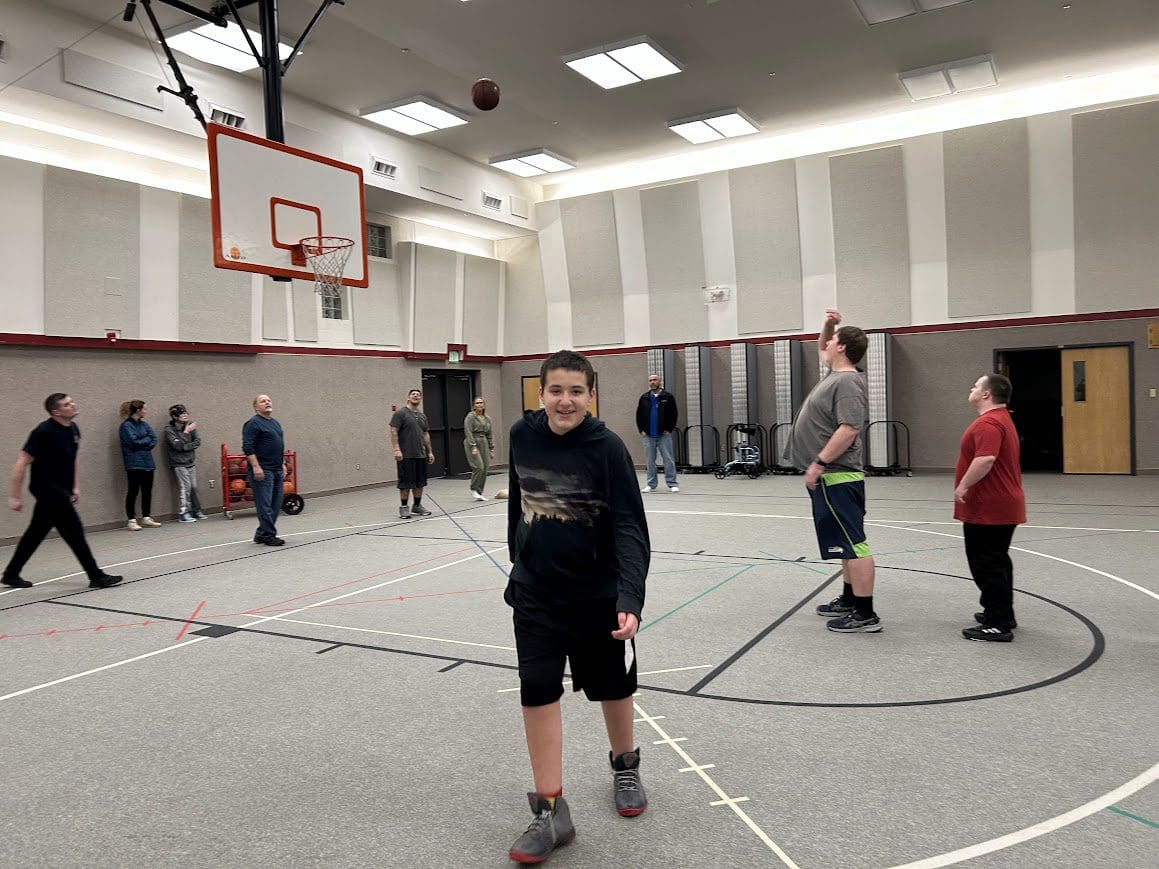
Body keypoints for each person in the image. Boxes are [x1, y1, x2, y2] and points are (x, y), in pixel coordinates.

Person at [505, 350, 651, 864]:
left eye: (576, 391)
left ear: (591, 395)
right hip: (537, 595)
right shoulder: (521, 437)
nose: (565, 400)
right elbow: (517, 510)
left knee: (614, 685)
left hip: (598, 598)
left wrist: (629, 596)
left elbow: (631, 526)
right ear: (540, 393)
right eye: (555, 390)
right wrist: (516, 567)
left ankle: (625, 762)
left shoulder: (608, 448)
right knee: (536, 689)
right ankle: (550, 810)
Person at [784, 308, 880, 633]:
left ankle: (865, 614)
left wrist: (820, 462)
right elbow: (822, 347)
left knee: (855, 543)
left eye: (833, 340)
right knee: (844, 541)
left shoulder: (849, 382)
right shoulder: (834, 373)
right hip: (830, 477)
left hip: (837, 474)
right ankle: (850, 598)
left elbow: (850, 427)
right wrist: (829, 325)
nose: (827, 344)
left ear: (842, 348)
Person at [2, 394, 122, 590]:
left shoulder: (73, 429)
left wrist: (75, 486)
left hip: (61, 490)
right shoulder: (43, 431)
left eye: (72, 401)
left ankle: (11, 574)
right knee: (75, 531)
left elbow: (72, 458)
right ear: (56, 411)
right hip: (47, 489)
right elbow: (22, 461)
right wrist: (15, 496)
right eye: (67, 404)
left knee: (36, 533)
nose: (73, 405)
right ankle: (96, 576)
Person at [955, 373, 1027, 643]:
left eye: (975, 386)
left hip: (990, 506)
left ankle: (998, 623)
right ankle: (1000, 613)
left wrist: (963, 486)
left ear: (986, 394)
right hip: (999, 504)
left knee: (986, 563)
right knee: (997, 561)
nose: (971, 389)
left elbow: (985, 459)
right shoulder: (1001, 419)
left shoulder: (989, 423)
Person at [243, 394, 287, 546]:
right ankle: (269, 535)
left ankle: (261, 533)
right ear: (256, 407)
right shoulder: (253, 424)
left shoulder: (275, 423)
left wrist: (283, 463)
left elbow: (279, 444)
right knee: (265, 505)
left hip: (276, 469)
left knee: (275, 504)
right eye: (263, 401)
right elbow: (248, 447)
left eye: (269, 400)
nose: (267, 402)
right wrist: (256, 466)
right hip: (263, 470)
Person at [390, 388, 435, 519]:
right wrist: (396, 449)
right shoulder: (400, 413)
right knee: (405, 483)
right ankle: (404, 508)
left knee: (419, 482)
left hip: (420, 454)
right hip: (406, 455)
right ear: (408, 398)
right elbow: (393, 431)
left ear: (420, 399)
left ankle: (417, 505)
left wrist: (430, 451)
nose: (416, 396)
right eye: (413, 394)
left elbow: (426, 433)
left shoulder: (422, 416)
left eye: (418, 395)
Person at [119, 399, 161, 530]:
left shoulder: (144, 424)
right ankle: (131, 520)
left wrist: (144, 443)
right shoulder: (126, 426)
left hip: (148, 462)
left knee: (147, 490)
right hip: (134, 463)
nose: (146, 411)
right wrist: (145, 442)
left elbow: (154, 438)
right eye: (144, 409)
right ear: (138, 410)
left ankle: (146, 517)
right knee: (133, 491)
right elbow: (133, 442)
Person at [635, 373, 679, 493]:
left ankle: (672, 483)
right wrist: (641, 429)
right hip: (648, 435)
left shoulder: (668, 397)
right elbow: (639, 415)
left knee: (668, 459)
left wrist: (669, 429)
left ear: (659, 382)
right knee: (650, 461)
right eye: (650, 380)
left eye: (655, 380)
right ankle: (651, 484)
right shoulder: (644, 397)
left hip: (664, 435)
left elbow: (673, 414)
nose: (652, 382)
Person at [164, 404, 205, 522]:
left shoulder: (190, 425)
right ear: (174, 416)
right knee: (185, 487)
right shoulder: (169, 429)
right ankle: (183, 513)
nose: (185, 415)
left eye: (185, 412)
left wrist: (185, 446)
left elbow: (197, 442)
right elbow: (176, 446)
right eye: (181, 413)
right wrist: (186, 433)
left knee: (193, 487)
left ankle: (196, 510)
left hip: (190, 461)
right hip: (178, 464)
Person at [464, 395, 495, 501]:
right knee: (479, 466)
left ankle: (479, 491)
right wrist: (473, 446)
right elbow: (468, 431)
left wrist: (491, 448)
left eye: (481, 402)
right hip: (473, 440)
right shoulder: (471, 416)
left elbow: (490, 434)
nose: (480, 404)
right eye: (477, 403)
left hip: (484, 441)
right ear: (474, 406)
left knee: (485, 467)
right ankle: (473, 488)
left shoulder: (487, 418)